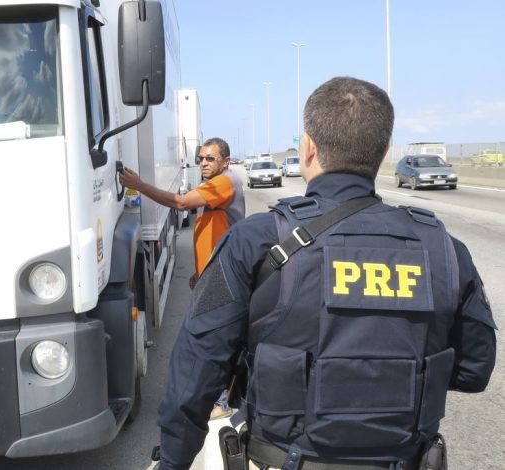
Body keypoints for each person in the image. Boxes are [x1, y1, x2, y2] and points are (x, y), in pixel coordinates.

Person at [155, 76, 497, 470]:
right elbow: (474, 370)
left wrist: (173, 463)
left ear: (309, 148)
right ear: (383, 152)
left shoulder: (258, 241)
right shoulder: (443, 249)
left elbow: (196, 372)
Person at [119, 137, 246, 285]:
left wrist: (139, 185)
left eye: (210, 159)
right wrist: (199, 272)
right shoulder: (215, 181)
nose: (203, 163)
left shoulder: (223, 182)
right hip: (213, 272)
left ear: (226, 161)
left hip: (221, 274)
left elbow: (181, 203)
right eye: (201, 159)